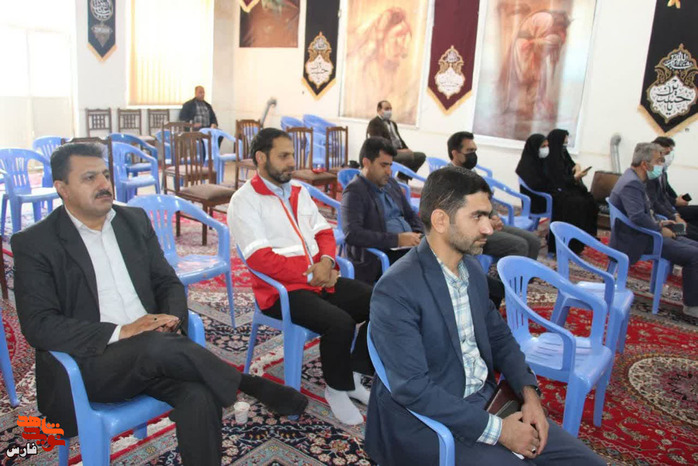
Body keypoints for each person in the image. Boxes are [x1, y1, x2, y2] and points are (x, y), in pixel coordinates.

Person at [12, 143, 308, 465]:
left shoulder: (133, 221)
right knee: (151, 345)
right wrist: (123, 331)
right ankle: (247, 384)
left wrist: (169, 319)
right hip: (93, 364)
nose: (104, 184)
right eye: (89, 177)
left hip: (160, 353)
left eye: (105, 174)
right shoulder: (36, 243)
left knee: (200, 394)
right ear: (62, 189)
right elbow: (39, 326)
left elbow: (168, 282)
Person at [365, 165, 605, 465]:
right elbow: (414, 390)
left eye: (488, 216)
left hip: (486, 401)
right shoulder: (396, 289)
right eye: (477, 216)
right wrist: (500, 431)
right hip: (427, 423)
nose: (489, 228)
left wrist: (529, 394)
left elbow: (499, 337)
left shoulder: (471, 269)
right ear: (441, 220)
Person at [228, 128, 374, 425]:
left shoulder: (298, 191)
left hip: (318, 280)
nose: (292, 162)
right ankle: (336, 389)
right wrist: (314, 276)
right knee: (339, 323)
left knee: (378, 301)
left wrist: (327, 262)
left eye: (292, 155)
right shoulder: (245, 201)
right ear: (261, 158)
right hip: (280, 293)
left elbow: (324, 232)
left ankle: (354, 374)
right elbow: (260, 259)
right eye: (283, 156)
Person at [609, 142, 698, 319]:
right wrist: (659, 228)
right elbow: (637, 217)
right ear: (644, 164)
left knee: (693, 243)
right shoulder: (632, 183)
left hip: (648, 232)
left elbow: (646, 212)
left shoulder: (635, 179)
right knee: (695, 255)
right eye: (658, 161)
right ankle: (692, 306)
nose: (661, 164)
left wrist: (662, 223)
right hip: (639, 239)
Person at [341, 137, 424, 284]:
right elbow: (352, 234)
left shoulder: (390, 183)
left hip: (407, 247)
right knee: (429, 269)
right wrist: (397, 240)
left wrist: (419, 234)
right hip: (379, 256)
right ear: (366, 163)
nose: (389, 171)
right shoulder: (354, 191)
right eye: (383, 165)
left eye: (390, 165)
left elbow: (410, 214)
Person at [448, 131, 541, 261]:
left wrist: (495, 217)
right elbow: (457, 214)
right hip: (467, 232)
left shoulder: (472, 173)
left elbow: (486, 201)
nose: (473, 155)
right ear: (455, 153)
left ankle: (525, 274)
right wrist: (485, 222)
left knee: (533, 241)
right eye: (469, 151)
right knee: (520, 245)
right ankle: (509, 274)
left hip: (485, 224)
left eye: (474, 150)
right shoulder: (448, 178)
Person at [516, 129, 598, 254]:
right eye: (543, 146)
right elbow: (539, 185)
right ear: (534, 148)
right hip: (539, 200)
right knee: (573, 203)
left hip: (549, 194)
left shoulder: (540, 161)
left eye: (547, 146)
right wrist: (563, 185)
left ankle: (578, 239)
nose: (546, 149)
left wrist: (562, 184)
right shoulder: (527, 166)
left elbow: (551, 181)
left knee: (583, 199)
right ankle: (561, 243)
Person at [646, 136, 698, 241]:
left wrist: (676, 211)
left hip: (669, 213)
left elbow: (664, 197)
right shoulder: (648, 178)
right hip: (663, 220)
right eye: (666, 153)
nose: (666, 158)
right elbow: (656, 204)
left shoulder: (661, 173)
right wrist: (675, 216)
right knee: (690, 236)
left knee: (692, 230)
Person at [366, 100, 426, 179]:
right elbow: (379, 144)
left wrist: (406, 149)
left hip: (398, 151)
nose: (389, 111)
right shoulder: (374, 123)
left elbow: (399, 139)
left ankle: (402, 178)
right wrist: (400, 151)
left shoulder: (392, 123)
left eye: (390, 109)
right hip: (387, 153)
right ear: (379, 110)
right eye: (386, 109)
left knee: (421, 156)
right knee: (409, 156)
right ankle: (400, 179)